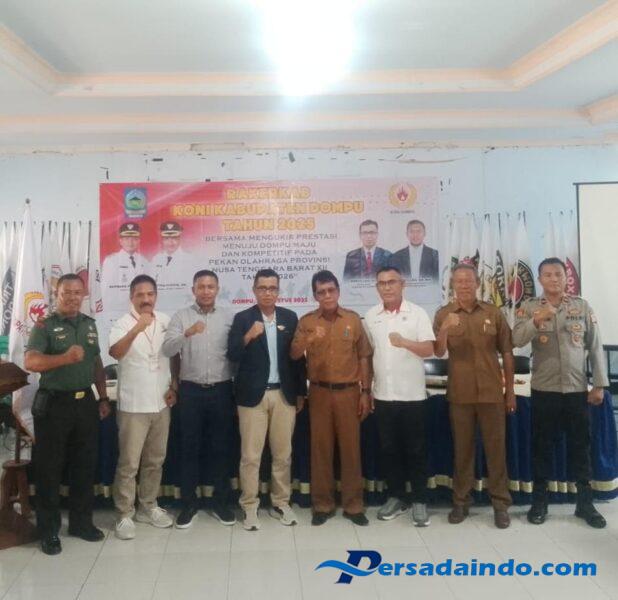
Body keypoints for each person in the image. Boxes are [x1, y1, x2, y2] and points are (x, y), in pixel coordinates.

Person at [512, 257, 608, 528]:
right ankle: (540, 502)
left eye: (558, 274)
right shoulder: (529, 307)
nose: (553, 279)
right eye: (548, 275)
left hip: (577, 390)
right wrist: (537, 319)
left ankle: (585, 504)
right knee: (542, 447)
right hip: (545, 390)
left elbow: (595, 346)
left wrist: (599, 384)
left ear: (566, 278)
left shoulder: (581, 306)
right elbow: (516, 340)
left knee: (581, 447)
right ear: (540, 279)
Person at [24, 273, 111, 555]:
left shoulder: (89, 324)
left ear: (84, 294)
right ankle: (48, 530)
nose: (73, 297)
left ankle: (81, 523)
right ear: (57, 294)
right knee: (49, 469)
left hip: (85, 402)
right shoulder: (45, 325)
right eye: (66, 292)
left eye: (77, 292)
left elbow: (96, 361)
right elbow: (30, 361)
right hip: (54, 405)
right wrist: (64, 358)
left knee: (84, 465)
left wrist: (103, 396)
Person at [433, 263, 514, 529]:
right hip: (460, 394)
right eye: (459, 281)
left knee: (496, 451)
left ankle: (500, 505)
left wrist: (510, 392)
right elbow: (438, 351)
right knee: (462, 451)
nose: (464, 285)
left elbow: (507, 352)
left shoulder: (493, 312)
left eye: (469, 280)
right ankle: (461, 501)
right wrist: (445, 328)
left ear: (477, 283)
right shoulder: (443, 314)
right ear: (452, 285)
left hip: (492, 393)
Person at [291, 270, 372, 526]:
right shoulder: (306, 321)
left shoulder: (353, 320)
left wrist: (366, 391)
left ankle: (353, 505)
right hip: (319, 393)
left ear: (338, 291)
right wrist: (309, 339)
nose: (327, 295)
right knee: (321, 449)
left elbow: (364, 356)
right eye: (321, 292)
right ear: (315, 295)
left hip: (349, 392)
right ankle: (322, 505)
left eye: (331, 290)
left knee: (351, 450)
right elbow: (293, 354)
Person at [227, 269, 306, 531]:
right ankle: (249, 505)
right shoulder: (243, 318)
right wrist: (248, 335)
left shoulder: (290, 317)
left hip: (284, 394)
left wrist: (300, 393)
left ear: (278, 291)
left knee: (283, 454)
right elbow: (232, 355)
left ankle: (281, 502)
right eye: (262, 288)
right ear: (254, 290)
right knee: (250, 456)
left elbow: (297, 359)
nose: (268, 293)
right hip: (252, 397)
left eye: (272, 288)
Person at [162, 270, 235, 528]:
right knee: (189, 448)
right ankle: (188, 503)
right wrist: (187, 333)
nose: (206, 291)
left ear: (217, 289)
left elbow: (237, 353)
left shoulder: (229, 317)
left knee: (221, 448)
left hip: (221, 390)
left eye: (210, 286)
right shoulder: (181, 317)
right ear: (193, 290)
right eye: (201, 287)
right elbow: (167, 349)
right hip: (191, 391)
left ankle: (221, 502)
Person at [363, 266, 435, 526]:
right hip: (383, 395)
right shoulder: (371, 316)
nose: (387, 287)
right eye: (382, 283)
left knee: (416, 450)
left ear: (402, 284)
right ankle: (396, 497)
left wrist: (405, 342)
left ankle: (419, 500)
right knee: (389, 450)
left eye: (392, 282)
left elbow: (429, 349)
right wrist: (367, 389)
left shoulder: (417, 313)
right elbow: (368, 356)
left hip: (412, 397)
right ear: (377, 287)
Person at [109, 274, 175, 540]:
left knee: (155, 460)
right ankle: (124, 513)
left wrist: (174, 386)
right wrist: (137, 328)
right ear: (131, 297)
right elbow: (115, 352)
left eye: (150, 294)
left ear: (156, 296)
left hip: (161, 403)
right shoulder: (122, 323)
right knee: (129, 463)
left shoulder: (166, 321)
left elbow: (174, 355)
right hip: (133, 405)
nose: (146, 299)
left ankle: (148, 506)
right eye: (140, 295)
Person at [101, 222, 150, 313]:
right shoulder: (111, 261)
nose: (130, 242)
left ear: (139, 241)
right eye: (126, 239)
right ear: (120, 241)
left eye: (134, 239)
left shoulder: (145, 261)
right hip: (118, 311)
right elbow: (105, 290)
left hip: (140, 309)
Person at [151, 221, 198, 311]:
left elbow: (193, 291)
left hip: (182, 308)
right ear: (162, 240)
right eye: (167, 238)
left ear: (180, 239)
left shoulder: (189, 260)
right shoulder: (156, 259)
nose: (171, 242)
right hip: (160, 308)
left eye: (174, 238)